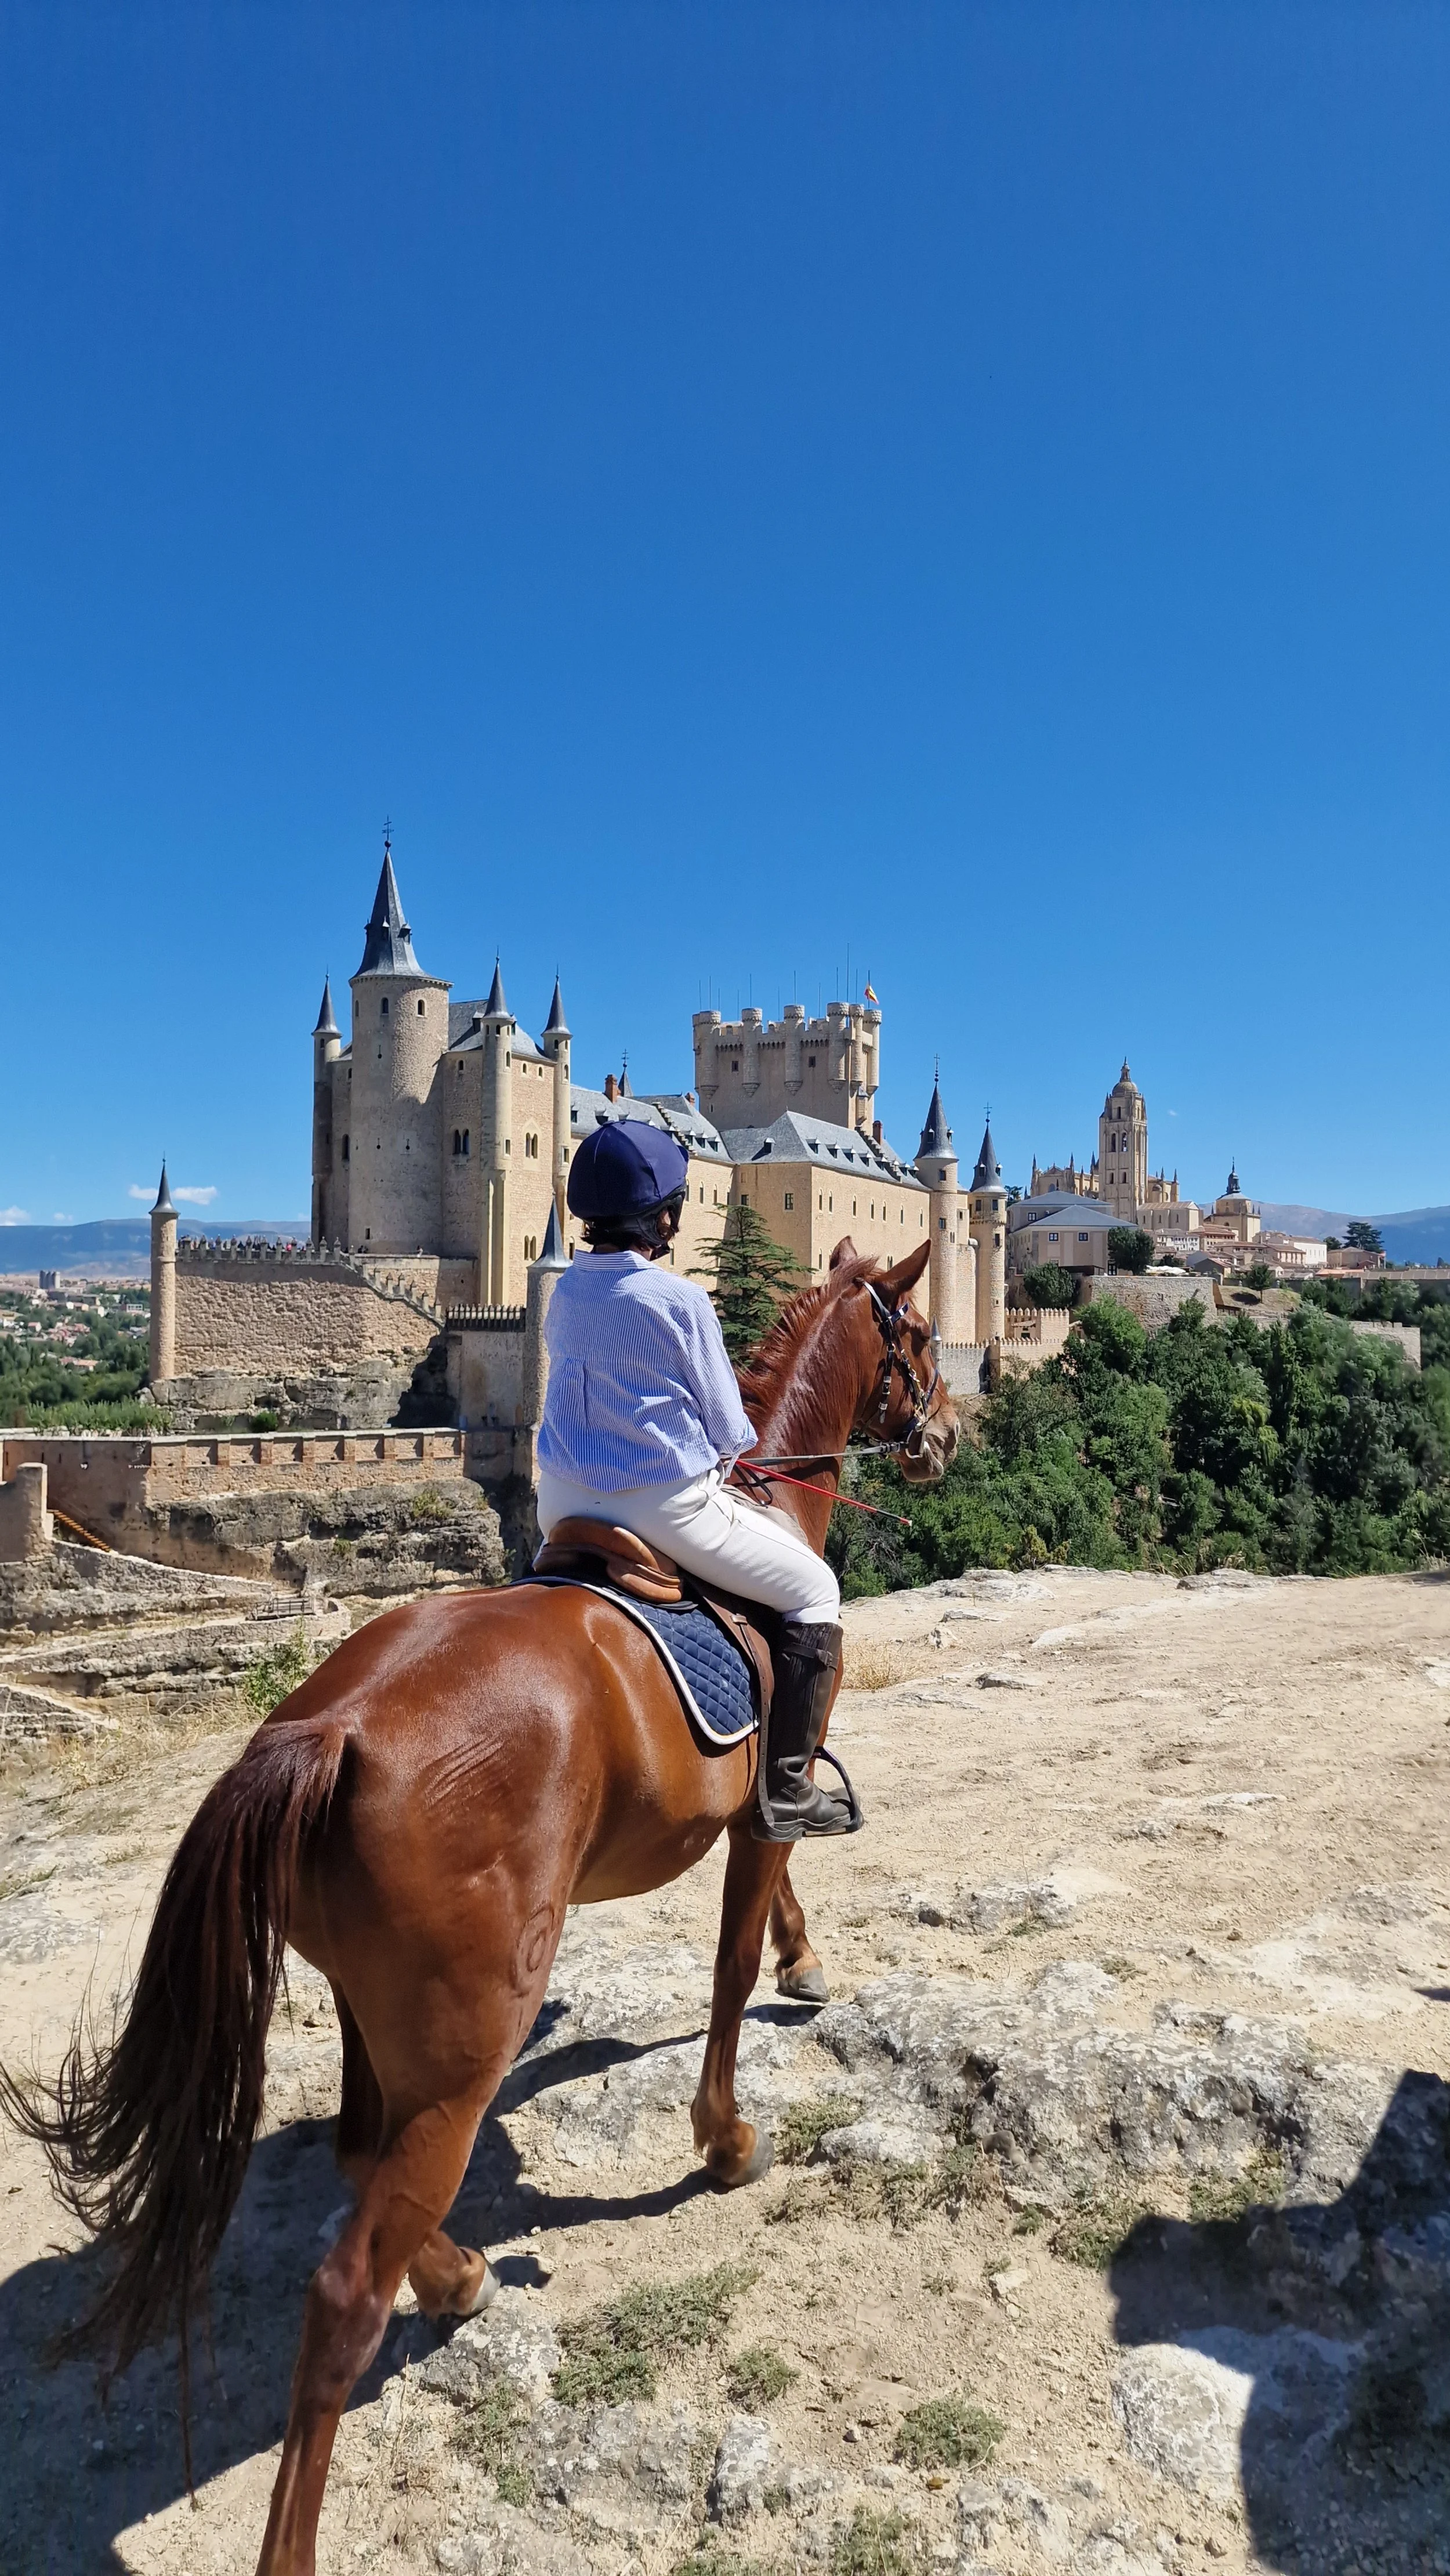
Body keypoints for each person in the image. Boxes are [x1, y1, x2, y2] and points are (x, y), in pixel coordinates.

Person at [536, 1118, 855, 1840]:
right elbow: (730, 1429)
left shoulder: (563, 1294)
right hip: (662, 1505)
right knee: (816, 1589)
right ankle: (788, 1788)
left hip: (556, 1502)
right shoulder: (680, 1301)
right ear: (667, 1217)